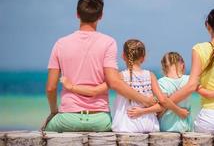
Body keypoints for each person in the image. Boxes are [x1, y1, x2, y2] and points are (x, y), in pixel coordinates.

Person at [44, 0, 155, 132]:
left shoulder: (60, 44)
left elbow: (51, 88)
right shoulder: (108, 43)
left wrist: (54, 112)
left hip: (68, 117)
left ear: (77, 14)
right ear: (101, 15)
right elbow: (114, 82)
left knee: (44, 130)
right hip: (100, 119)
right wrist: (144, 100)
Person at [60, 40, 188, 132]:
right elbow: (163, 101)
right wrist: (179, 111)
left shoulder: (120, 76)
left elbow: (95, 91)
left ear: (123, 56)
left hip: (126, 126)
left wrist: (71, 87)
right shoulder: (151, 75)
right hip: (150, 125)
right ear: (143, 58)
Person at [127, 52, 214, 132]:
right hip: (185, 128)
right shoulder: (189, 80)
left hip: (166, 128)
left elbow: (160, 106)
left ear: (164, 67)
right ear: (182, 65)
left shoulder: (161, 83)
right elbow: (208, 94)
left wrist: (142, 111)